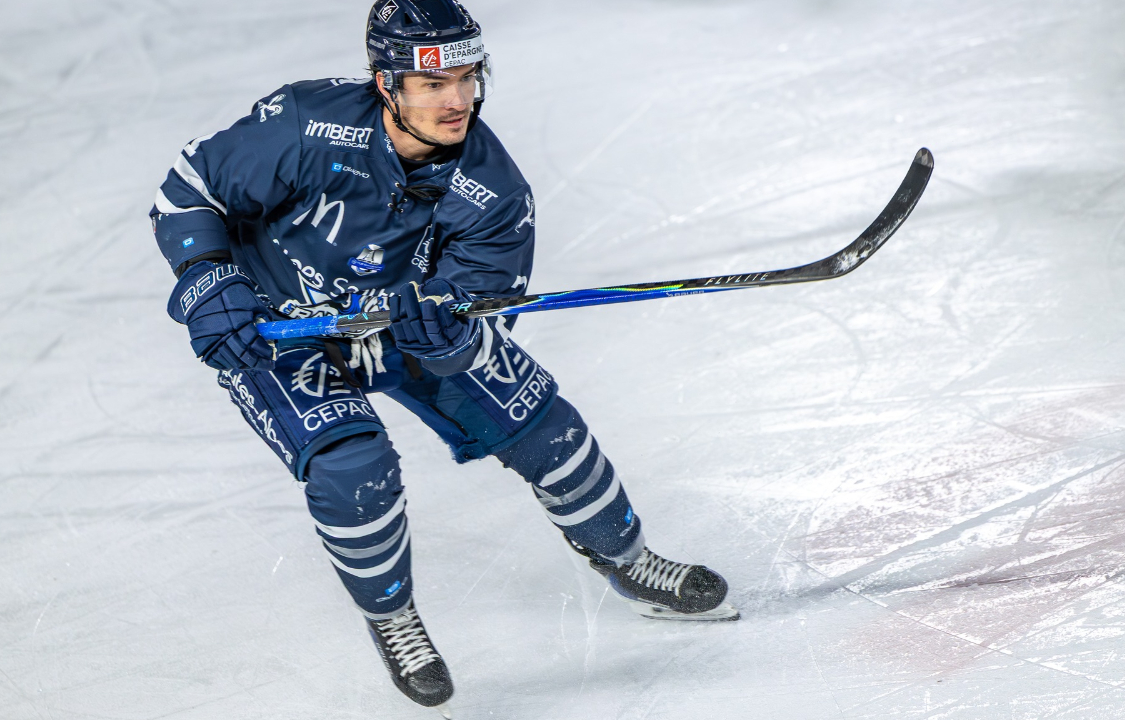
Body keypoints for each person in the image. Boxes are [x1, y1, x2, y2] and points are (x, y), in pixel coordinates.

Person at [150, 0, 737, 712]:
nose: (456, 100)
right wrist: (210, 279)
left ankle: (628, 560)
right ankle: (394, 618)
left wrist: (449, 331)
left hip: (401, 331)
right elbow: (190, 187)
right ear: (385, 81)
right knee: (351, 464)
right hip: (280, 324)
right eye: (432, 84)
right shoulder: (306, 125)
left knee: (545, 427)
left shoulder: (494, 191)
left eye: (466, 77)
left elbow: (485, 308)